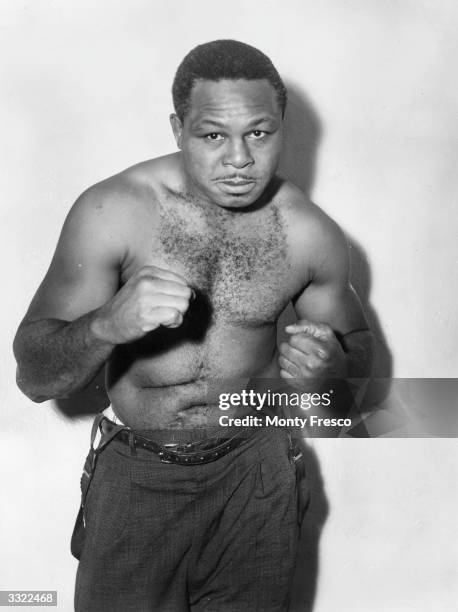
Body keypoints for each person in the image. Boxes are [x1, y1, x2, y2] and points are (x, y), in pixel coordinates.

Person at [13, 39, 373, 611]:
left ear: (282, 127)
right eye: (213, 135)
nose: (238, 158)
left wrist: (333, 368)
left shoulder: (308, 232)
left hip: (256, 474)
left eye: (259, 132)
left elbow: (356, 354)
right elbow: (34, 378)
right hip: (140, 474)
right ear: (178, 128)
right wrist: (108, 324)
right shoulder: (114, 212)